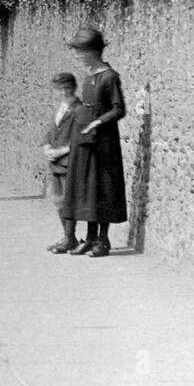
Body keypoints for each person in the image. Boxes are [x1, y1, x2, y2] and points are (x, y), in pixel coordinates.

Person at [60, 27, 127, 257]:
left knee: (103, 189)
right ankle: (89, 239)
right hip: (85, 141)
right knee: (88, 190)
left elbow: (119, 109)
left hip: (103, 143)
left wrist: (98, 123)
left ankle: (103, 240)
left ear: (91, 51)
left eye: (80, 51)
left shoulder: (109, 77)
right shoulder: (90, 77)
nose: (77, 56)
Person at [44, 72, 84, 253]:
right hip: (56, 163)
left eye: (58, 89)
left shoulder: (78, 109)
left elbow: (80, 136)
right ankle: (68, 236)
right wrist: (46, 146)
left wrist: (62, 150)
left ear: (67, 89)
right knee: (58, 200)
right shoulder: (60, 107)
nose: (55, 93)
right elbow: (51, 130)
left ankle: (70, 237)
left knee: (67, 201)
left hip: (69, 162)